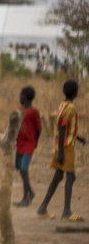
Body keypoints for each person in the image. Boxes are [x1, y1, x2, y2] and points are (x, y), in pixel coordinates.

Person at [36, 80, 85, 221]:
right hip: (66, 147)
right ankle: (66, 212)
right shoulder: (71, 108)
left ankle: (42, 208)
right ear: (75, 93)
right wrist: (62, 153)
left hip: (60, 145)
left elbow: (64, 127)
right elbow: (63, 128)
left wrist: (79, 138)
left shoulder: (62, 105)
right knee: (71, 177)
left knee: (58, 176)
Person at [13, 86, 42, 207]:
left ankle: (26, 198)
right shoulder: (19, 110)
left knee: (24, 169)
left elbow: (39, 129)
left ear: (25, 97)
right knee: (21, 169)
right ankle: (31, 192)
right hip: (19, 144)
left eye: (21, 95)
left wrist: (36, 143)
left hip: (29, 144)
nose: (19, 97)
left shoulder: (34, 112)